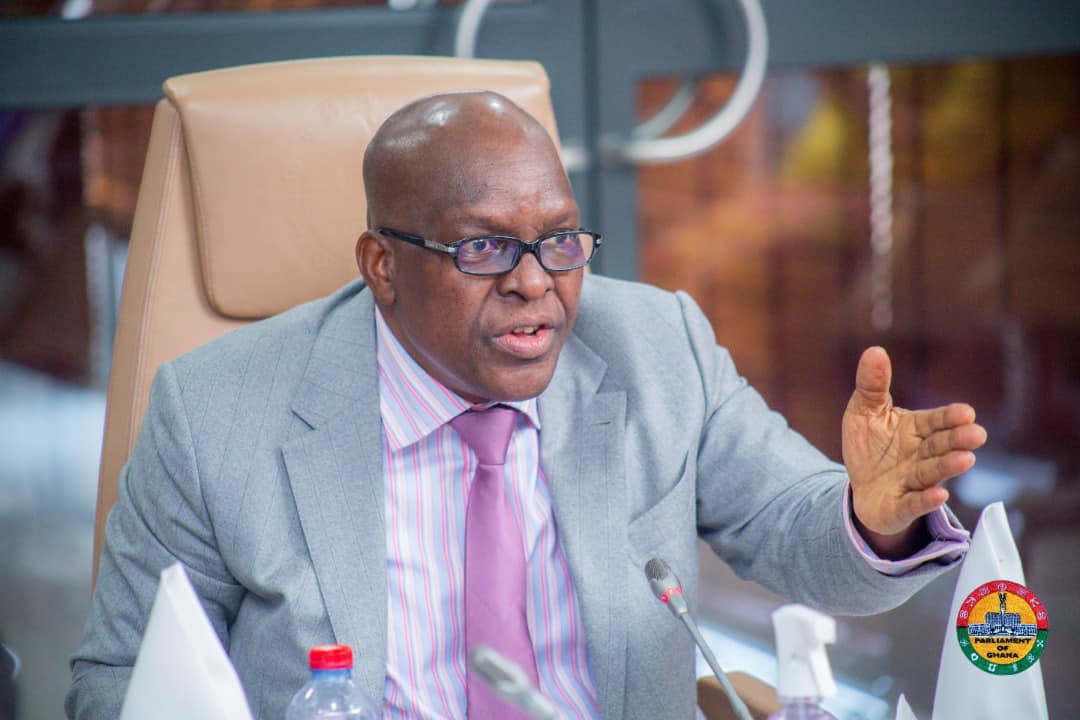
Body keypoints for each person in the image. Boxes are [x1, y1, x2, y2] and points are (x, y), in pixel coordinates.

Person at [67, 91, 986, 719]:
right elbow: (119, 683)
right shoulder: (216, 412)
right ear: (382, 266)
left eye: (559, 240)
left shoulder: (656, 347)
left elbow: (795, 530)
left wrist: (872, 520)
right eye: (483, 249)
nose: (534, 283)